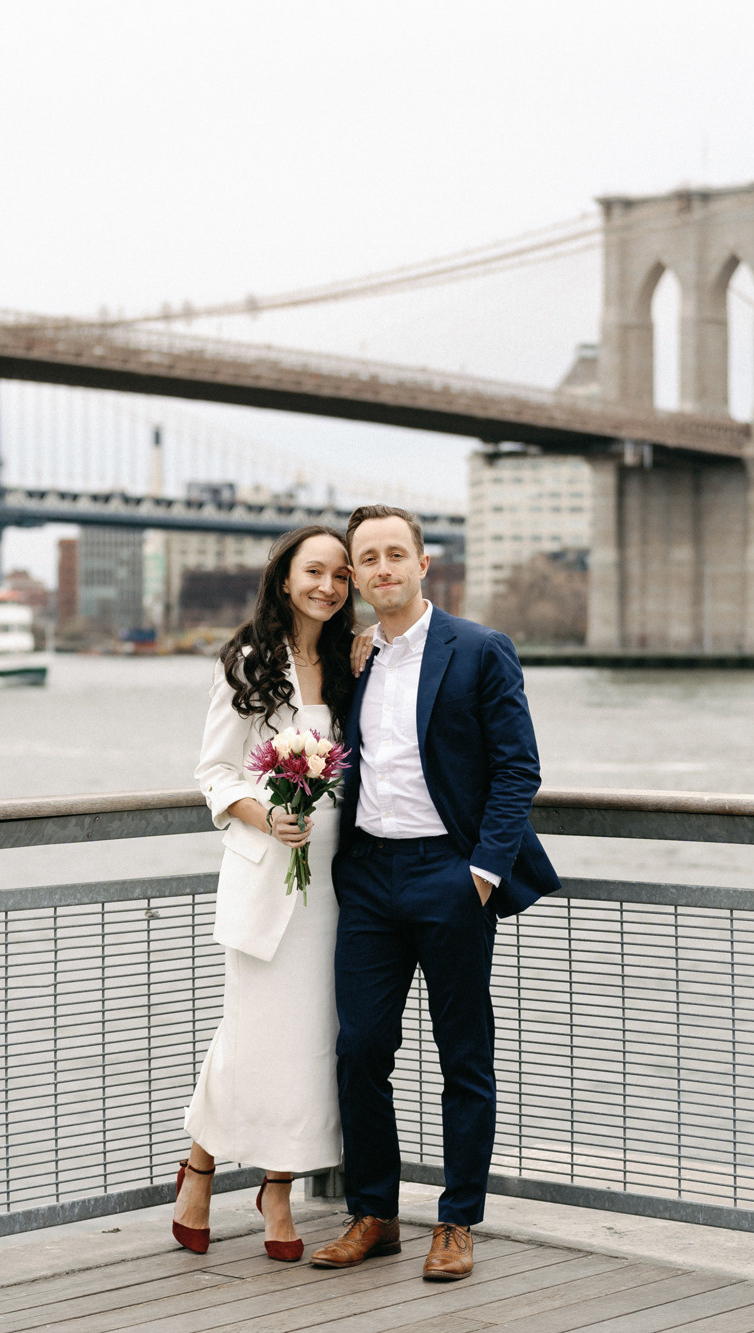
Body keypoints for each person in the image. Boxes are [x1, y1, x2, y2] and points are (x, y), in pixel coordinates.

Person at [308, 504, 560, 1282]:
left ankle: (456, 1221)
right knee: (359, 1050)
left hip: (451, 877)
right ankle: (374, 1212)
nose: (382, 569)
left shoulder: (480, 649)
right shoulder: (354, 660)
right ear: (357, 575)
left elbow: (518, 768)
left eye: (395, 554)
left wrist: (482, 873)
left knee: (463, 1055)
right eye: (367, 560)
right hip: (370, 879)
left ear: (423, 563)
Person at [174, 525, 358, 1262]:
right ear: (285, 577)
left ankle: (275, 1185)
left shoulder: (350, 663)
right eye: (315, 570)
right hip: (264, 879)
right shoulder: (251, 661)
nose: (329, 585)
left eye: (341, 575)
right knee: (250, 1036)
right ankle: (202, 1170)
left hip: (333, 891)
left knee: (312, 1041)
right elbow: (215, 772)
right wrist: (267, 812)